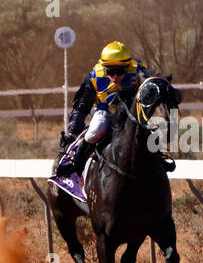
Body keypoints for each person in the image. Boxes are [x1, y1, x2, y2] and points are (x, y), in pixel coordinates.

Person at [49, 41, 170, 200]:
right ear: (103, 67)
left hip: (130, 115)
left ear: (127, 66)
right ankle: (75, 167)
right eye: (110, 71)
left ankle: (159, 159)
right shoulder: (95, 76)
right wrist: (73, 131)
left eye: (120, 71)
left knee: (147, 131)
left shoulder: (138, 71)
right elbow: (82, 105)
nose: (115, 76)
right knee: (96, 130)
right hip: (105, 112)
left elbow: (154, 88)